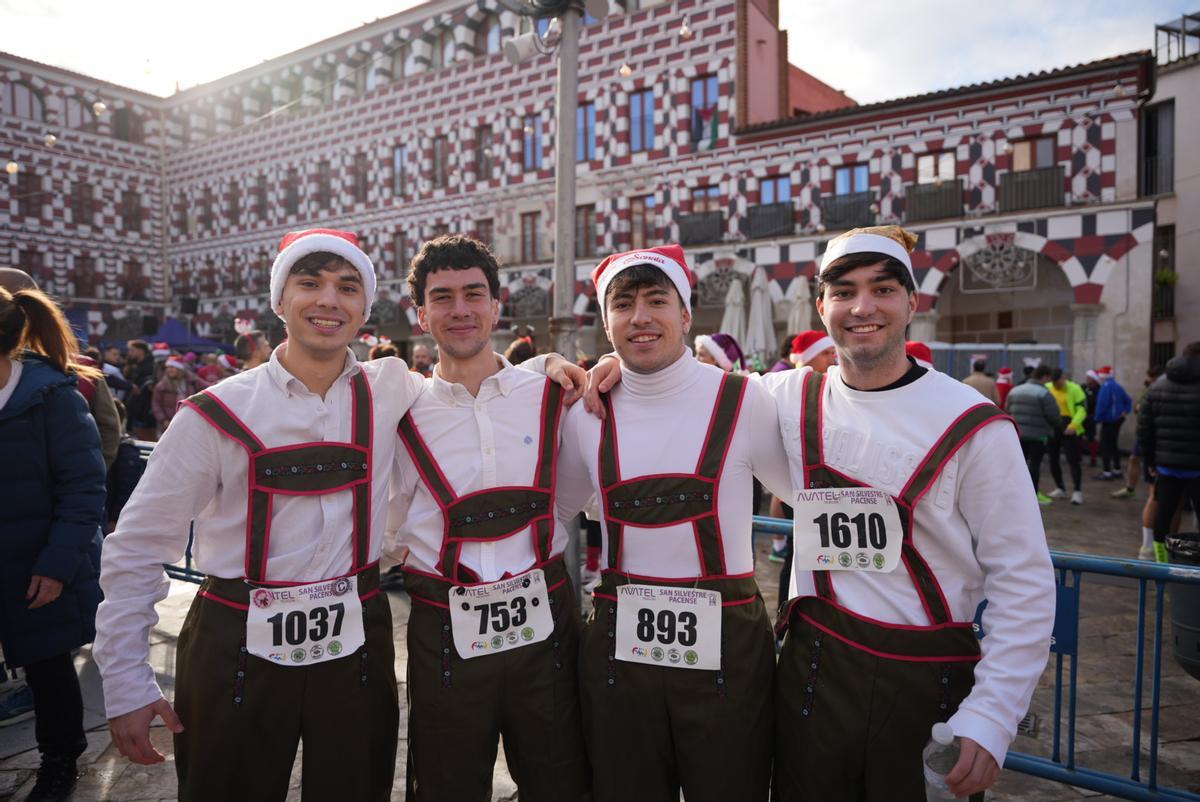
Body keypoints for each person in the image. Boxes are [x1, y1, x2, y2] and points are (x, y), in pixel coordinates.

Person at [754, 226, 1054, 802]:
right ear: (822, 307)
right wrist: (580, 371)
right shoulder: (786, 399)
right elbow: (686, 396)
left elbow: (1023, 577)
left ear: (912, 302)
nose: (862, 308)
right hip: (813, 671)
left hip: (930, 682)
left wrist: (992, 715)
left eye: (883, 289)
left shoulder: (971, 421)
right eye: (843, 292)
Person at [555, 245, 793, 802]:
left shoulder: (744, 400)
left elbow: (809, 495)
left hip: (728, 655)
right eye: (624, 304)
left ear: (686, 315)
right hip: (619, 658)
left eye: (657, 300)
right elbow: (553, 514)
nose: (640, 317)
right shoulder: (584, 416)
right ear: (607, 320)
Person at [388, 235, 588, 801]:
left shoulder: (552, 393)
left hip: (545, 621)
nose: (461, 310)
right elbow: (387, 520)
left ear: (497, 307)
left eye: (474, 293)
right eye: (443, 297)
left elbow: (572, 497)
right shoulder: (398, 409)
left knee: (560, 781)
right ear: (421, 313)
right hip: (443, 625)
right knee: (448, 784)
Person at [0, 284, 106, 801]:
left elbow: (84, 487)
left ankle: (60, 762)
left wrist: (59, 565)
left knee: (49, 669)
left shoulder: (52, 396)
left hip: (38, 564)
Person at [1138, 342, 1200, 563]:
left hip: (1166, 464)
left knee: (1163, 515)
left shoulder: (1158, 386)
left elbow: (1145, 428)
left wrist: (1151, 461)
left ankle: (1161, 562)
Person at [1005, 364, 1062, 504]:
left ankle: (1016, 494)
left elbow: (1007, 410)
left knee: (1019, 465)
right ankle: (1033, 495)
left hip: (1018, 434)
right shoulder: (1044, 393)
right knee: (1035, 465)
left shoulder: (1015, 390)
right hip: (1038, 436)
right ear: (1045, 377)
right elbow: (1054, 417)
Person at [1045, 367, 1087, 505]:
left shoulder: (1075, 389)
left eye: (1059, 383)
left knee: (1073, 459)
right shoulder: (1047, 387)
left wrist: (1074, 425)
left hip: (1069, 423)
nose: (1057, 386)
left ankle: (1077, 491)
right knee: (1053, 458)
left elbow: (1082, 410)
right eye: (1055, 383)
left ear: (1064, 379)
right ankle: (1060, 487)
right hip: (1053, 424)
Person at [1094, 365, 1132, 480]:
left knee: (1105, 446)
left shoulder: (1105, 387)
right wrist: (1125, 411)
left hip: (1108, 420)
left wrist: (1097, 418)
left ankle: (1107, 472)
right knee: (1113, 445)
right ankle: (1117, 469)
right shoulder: (1117, 386)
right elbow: (1128, 400)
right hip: (1117, 420)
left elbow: (1102, 404)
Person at [150, 356, 203, 434]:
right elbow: (156, 405)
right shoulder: (161, 386)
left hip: (189, 423)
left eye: (172, 367)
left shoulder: (192, 381)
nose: (169, 370)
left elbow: (208, 388)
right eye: (168, 367)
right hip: (169, 425)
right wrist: (163, 420)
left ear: (180, 369)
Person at [122, 339, 156, 440]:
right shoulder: (134, 365)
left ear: (141, 351)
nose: (129, 353)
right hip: (134, 411)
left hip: (145, 413)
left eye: (132, 350)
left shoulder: (150, 367)